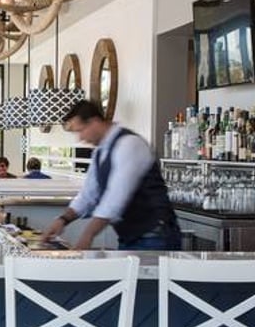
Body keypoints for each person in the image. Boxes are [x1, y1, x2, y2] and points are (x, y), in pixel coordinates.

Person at [42, 100, 180, 250]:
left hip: (155, 236)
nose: (80, 138)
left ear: (94, 122)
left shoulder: (129, 144)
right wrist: (62, 220)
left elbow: (114, 200)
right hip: (129, 237)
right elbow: (88, 196)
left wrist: (88, 235)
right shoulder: (100, 152)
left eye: (80, 130)